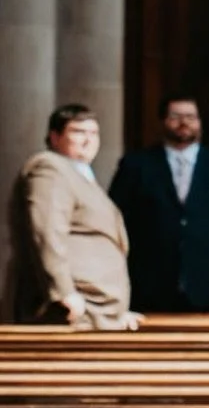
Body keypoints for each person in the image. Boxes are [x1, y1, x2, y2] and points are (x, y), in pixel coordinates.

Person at [6, 105, 136, 329]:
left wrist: (116, 312)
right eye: (78, 132)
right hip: (74, 308)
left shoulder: (80, 175)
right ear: (55, 138)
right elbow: (47, 231)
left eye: (93, 133)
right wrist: (63, 292)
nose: (88, 140)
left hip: (98, 308)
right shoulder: (50, 168)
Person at [110, 94, 209, 313]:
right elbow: (116, 218)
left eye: (191, 116)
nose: (184, 122)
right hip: (152, 286)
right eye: (175, 116)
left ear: (199, 122)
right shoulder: (136, 165)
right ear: (162, 121)